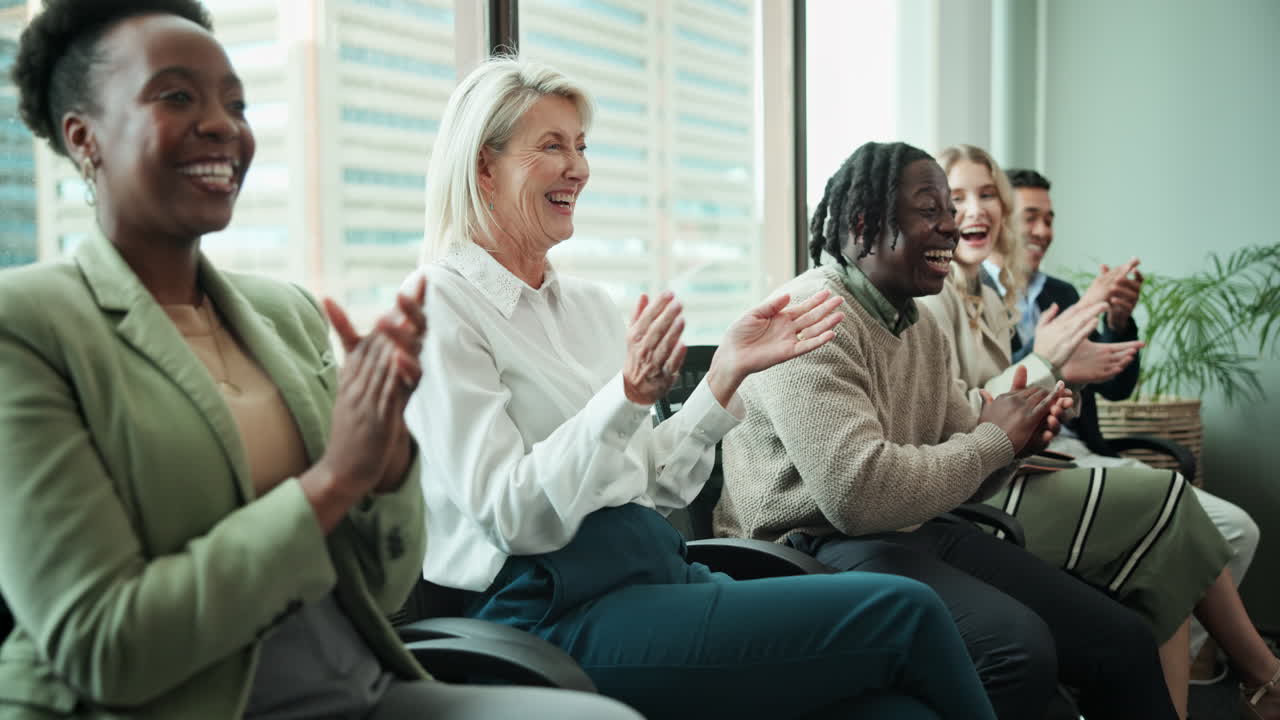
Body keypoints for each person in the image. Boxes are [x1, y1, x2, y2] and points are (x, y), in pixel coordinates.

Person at [0, 3, 640, 718]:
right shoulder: (26, 326)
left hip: (349, 681)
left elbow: (383, 585)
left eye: (235, 102)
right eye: (177, 95)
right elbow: (102, 649)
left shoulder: (288, 316)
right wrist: (333, 483)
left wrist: (388, 467)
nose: (222, 124)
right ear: (83, 138)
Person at [403, 56, 998, 720]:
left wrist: (723, 378)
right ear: (484, 168)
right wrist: (623, 398)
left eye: (581, 146)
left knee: (896, 714)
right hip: (549, 612)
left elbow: (652, 486)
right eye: (552, 146)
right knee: (906, 609)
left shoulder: (590, 307)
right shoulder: (438, 307)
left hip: (654, 572)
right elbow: (509, 513)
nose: (579, 167)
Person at [715, 140, 1180, 720]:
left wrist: (1017, 439)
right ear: (865, 224)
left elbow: (964, 432)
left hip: (900, 531)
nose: (951, 227)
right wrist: (995, 441)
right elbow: (857, 494)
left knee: (1122, 639)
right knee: (1019, 650)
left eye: (950, 211)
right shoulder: (813, 321)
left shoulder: (915, 323)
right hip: (806, 549)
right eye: (930, 209)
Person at [923, 143, 1278, 718]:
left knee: (1187, 532)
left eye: (988, 195)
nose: (977, 211)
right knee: (1170, 509)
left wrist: (1087, 351)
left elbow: (1110, 385)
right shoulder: (935, 296)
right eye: (956, 198)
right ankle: (1260, 678)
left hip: (1033, 460)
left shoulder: (988, 295)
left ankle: (1214, 687)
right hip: (985, 486)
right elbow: (968, 409)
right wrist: (1051, 361)